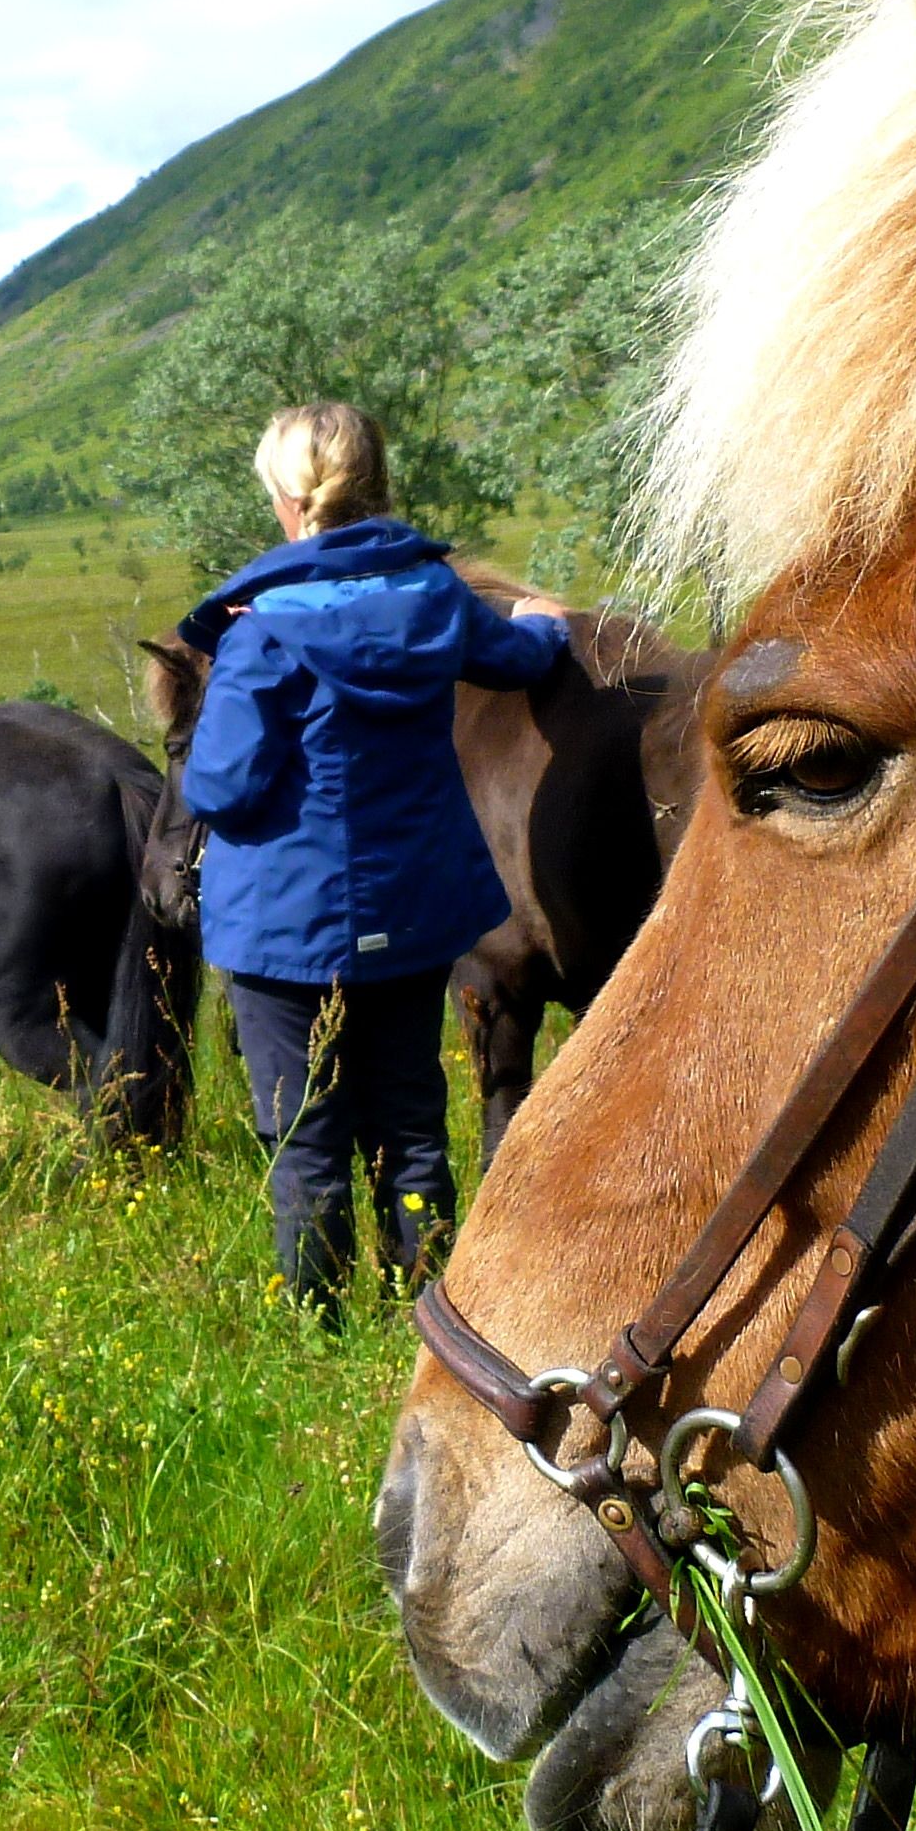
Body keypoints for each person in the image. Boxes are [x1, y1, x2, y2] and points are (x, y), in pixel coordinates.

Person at [174, 401, 569, 1327]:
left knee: (304, 1138)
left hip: (284, 930)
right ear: (375, 482)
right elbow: (515, 655)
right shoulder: (435, 597)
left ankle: (320, 1333)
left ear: (287, 496)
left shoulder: (264, 631)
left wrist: (238, 653)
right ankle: (426, 1313)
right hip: (411, 917)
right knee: (411, 1124)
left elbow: (221, 788)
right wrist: (551, 626)